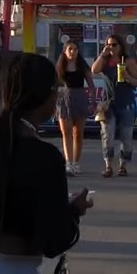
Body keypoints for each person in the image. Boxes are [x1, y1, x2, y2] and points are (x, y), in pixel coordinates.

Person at [0, 53, 90, 270]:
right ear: (45, 96)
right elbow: (53, 242)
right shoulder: (46, 156)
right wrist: (73, 210)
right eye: (55, 90)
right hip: (15, 264)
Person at [90, 36, 136, 179]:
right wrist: (103, 55)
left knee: (126, 136)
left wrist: (127, 76)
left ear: (120, 46)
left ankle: (123, 165)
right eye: (109, 45)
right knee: (107, 134)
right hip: (109, 103)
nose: (111, 48)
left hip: (126, 102)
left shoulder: (127, 61)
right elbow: (94, 69)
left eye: (114, 45)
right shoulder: (105, 62)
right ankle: (108, 166)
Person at [51, 38, 91, 176]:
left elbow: (91, 84)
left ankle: (76, 162)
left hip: (79, 97)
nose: (73, 52)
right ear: (65, 51)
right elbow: (54, 85)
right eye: (70, 49)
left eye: (75, 49)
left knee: (78, 133)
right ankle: (68, 162)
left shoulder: (82, 65)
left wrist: (93, 101)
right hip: (64, 99)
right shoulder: (60, 66)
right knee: (66, 132)